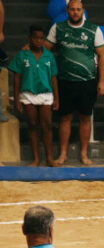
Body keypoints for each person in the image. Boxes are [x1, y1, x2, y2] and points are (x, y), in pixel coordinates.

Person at [44, 0, 104, 166]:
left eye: (78, 9)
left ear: (83, 10)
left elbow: (102, 56)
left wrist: (101, 81)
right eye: (72, 9)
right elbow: (45, 49)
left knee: (85, 118)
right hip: (64, 81)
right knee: (65, 118)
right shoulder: (57, 28)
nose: (75, 12)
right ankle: (63, 154)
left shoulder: (94, 29)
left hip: (87, 82)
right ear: (67, 10)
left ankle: (83, 154)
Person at [9, 25, 59, 167]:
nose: (38, 41)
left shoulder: (49, 56)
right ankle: (36, 159)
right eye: (35, 38)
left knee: (47, 125)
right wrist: (17, 98)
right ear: (30, 38)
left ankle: (49, 158)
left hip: (46, 93)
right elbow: (17, 77)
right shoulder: (21, 55)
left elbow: (54, 78)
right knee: (32, 124)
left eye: (41, 38)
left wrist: (57, 98)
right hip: (28, 93)